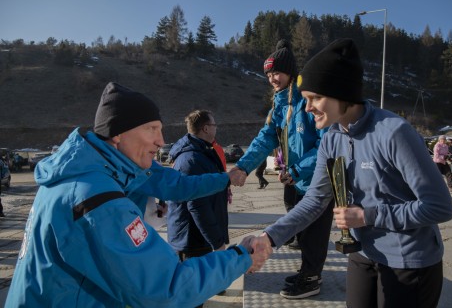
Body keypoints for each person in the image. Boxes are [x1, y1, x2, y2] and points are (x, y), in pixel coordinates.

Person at [5, 82, 271, 308]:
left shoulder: (93, 170)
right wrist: (240, 257)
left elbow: (176, 184)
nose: (160, 140)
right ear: (118, 134)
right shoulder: (96, 197)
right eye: (152, 129)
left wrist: (224, 178)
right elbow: (165, 287)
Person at [249, 38, 452, 307]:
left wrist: (369, 216)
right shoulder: (333, 138)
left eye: (315, 98)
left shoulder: (394, 132)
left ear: (340, 93)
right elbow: (314, 200)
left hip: (409, 260)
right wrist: (270, 237)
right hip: (364, 251)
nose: (308, 108)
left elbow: (440, 207)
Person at [230, 39, 331, 299]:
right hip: (298, 180)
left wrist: (297, 169)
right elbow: (266, 138)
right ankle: (307, 271)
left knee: (314, 235)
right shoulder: (280, 104)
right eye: (269, 74)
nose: (273, 78)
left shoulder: (307, 101)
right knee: (304, 231)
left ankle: (311, 277)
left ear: (291, 72)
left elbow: (326, 145)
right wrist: (243, 166)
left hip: (319, 180)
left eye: (277, 72)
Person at [166, 110, 230, 307]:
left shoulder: (201, 152)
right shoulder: (192, 160)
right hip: (193, 240)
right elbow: (198, 206)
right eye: (214, 125)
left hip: (195, 237)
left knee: (196, 292)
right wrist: (217, 242)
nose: (216, 128)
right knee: (192, 296)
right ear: (205, 128)